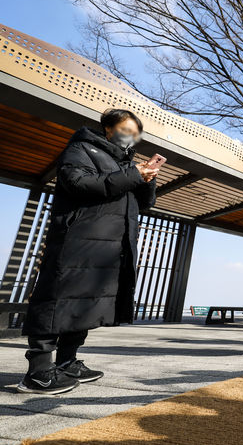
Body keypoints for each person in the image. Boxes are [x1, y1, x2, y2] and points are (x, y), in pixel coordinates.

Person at [19, 109, 159, 395]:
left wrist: (148, 179)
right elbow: (78, 183)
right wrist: (132, 174)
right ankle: (38, 372)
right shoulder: (81, 148)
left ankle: (67, 362)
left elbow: (144, 204)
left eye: (135, 134)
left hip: (109, 245)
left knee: (83, 305)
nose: (130, 137)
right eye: (125, 130)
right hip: (78, 241)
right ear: (108, 128)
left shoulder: (125, 162)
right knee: (55, 300)